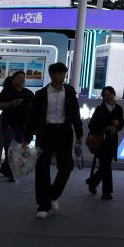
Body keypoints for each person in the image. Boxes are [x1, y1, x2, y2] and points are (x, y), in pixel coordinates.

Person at [23, 62, 83, 219]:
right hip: (45, 133)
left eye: (62, 73)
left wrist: (79, 134)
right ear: (51, 75)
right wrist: (27, 137)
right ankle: (43, 205)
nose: (60, 76)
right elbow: (32, 117)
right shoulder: (41, 94)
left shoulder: (69, 92)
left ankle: (53, 194)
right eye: (57, 73)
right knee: (42, 169)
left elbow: (75, 114)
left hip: (64, 132)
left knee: (67, 167)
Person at [85, 86, 123, 200]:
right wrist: (105, 128)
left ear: (114, 94)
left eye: (110, 94)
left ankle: (93, 182)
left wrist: (117, 126)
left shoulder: (119, 108)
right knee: (106, 165)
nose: (108, 97)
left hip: (112, 141)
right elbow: (91, 125)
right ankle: (106, 192)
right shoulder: (100, 109)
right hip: (101, 141)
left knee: (105, 165)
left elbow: (122, 123)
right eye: (105, 95)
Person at [0, 70, 33, 181]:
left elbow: (34, 108)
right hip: (9, 125)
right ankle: (13, 174)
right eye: (19, 77)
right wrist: (11, 104)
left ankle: (5, 169)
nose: (22, 80)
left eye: (23, 78)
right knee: (11, 149)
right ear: (13, 80)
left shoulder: (28, 93)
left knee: (18, 149)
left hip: (23, 126)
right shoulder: (7, 92)